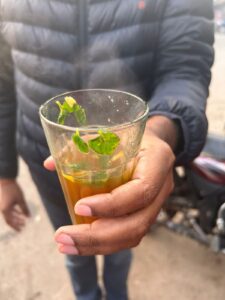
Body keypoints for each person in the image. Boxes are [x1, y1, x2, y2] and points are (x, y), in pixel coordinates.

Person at [0, 0, 214, 299]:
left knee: (119, 247)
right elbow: (3, 84)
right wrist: (5, 175)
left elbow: (186, 66)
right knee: (73, 246)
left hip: (126, 158)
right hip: (45, 160)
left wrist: (158, 131)